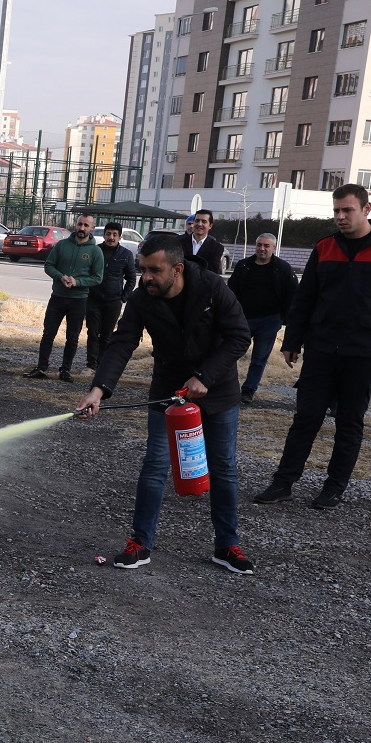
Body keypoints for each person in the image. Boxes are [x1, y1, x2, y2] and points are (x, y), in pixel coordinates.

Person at [77, 234, 255, 575]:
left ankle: (227, 545)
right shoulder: (143, 296)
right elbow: (123, 341)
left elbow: (239, 336)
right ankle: (140, 544)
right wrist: (98, 389)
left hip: (217, 391)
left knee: (223, 469)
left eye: (154, 271)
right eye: (142, 270)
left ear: (177, 268)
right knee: (155, 467)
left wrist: (205, 376)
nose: (146, 278)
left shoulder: (213, 287)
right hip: (168, 392)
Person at [253, 184, 371, 510]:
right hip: (322, 348)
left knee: (349, 422)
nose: (341, 217)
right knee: (306, 418)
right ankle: (283, 482)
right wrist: (293, 341)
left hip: (364, 351)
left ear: (366, 209)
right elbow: (305, 299)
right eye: (337, 211)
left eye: (348, 210)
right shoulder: (325, 247)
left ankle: (334, 488)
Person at [24, 214, 103, 381]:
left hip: (79, 300)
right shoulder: (62, 245)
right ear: (76, 224)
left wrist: (77, 282)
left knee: (72, 337)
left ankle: (65, 370)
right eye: (80, 224)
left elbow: (98, 277)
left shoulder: (95, 251)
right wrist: (60, 277)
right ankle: (41, 367)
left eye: (86, 225)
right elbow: (49, 265)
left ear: (92, 228)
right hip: (58, 297)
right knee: (48, 334)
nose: (82, 228)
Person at [226, 232, 297, 405]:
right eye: (259, 245)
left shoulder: (283, 268)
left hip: (270, 321)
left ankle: (248, 391)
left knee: (259, 359)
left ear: (273, 248)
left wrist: (282, 318)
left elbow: (293, 294)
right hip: (242, 319)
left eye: (266, 246)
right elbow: (231, 291)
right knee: (229, 354)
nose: (262, 249)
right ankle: (226, 388)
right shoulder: (244, 266)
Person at [85, 222, 137, 371]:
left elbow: (132, 279)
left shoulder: (126, 254)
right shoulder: (95, 251)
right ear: (104, 235)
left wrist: (123, 298)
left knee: (107, 335)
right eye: (108, 234)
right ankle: (91, 364)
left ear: (120, 237)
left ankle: (102, 364)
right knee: (93, 333)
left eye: (115, 235)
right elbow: (86, 272)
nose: (111, 237)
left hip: (114, 301)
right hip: (93, 299)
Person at [180, 209, 226, 275]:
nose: (199, 224)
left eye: (204, 221)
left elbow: (211, 272)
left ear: (210, 226)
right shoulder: (179, 242)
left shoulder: (216, 248)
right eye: (197, 221)